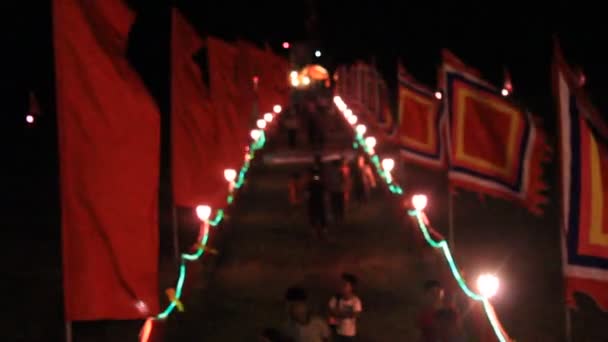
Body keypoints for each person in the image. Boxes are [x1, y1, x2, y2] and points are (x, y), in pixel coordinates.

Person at [328, 273, 363, 341]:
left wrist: (339, 314)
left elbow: (356, 314)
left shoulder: (355, 301)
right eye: (341, 284)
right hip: (337, 333)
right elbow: (331, 313)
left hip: (350, 335)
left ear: (351, 287)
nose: (341, 287)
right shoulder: (336, 299)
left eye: (344, 285)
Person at [306, 167, 327, 239]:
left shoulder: (310, 183)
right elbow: (324, 192)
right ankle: (322, 229)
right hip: (319, 201)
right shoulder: (320, 183)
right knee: (320, 215)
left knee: (314, 215)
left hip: (313, 201)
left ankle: (315, 230)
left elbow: (307, 193)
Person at [326, 159, 345, 224]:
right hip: (338, 190)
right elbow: (342, 180)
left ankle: (337, 218)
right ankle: (339, 218)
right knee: (339, 205)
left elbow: (329, 181)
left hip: (335, 190)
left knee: (335, 205)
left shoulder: (333, 172)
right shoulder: (340, 171)